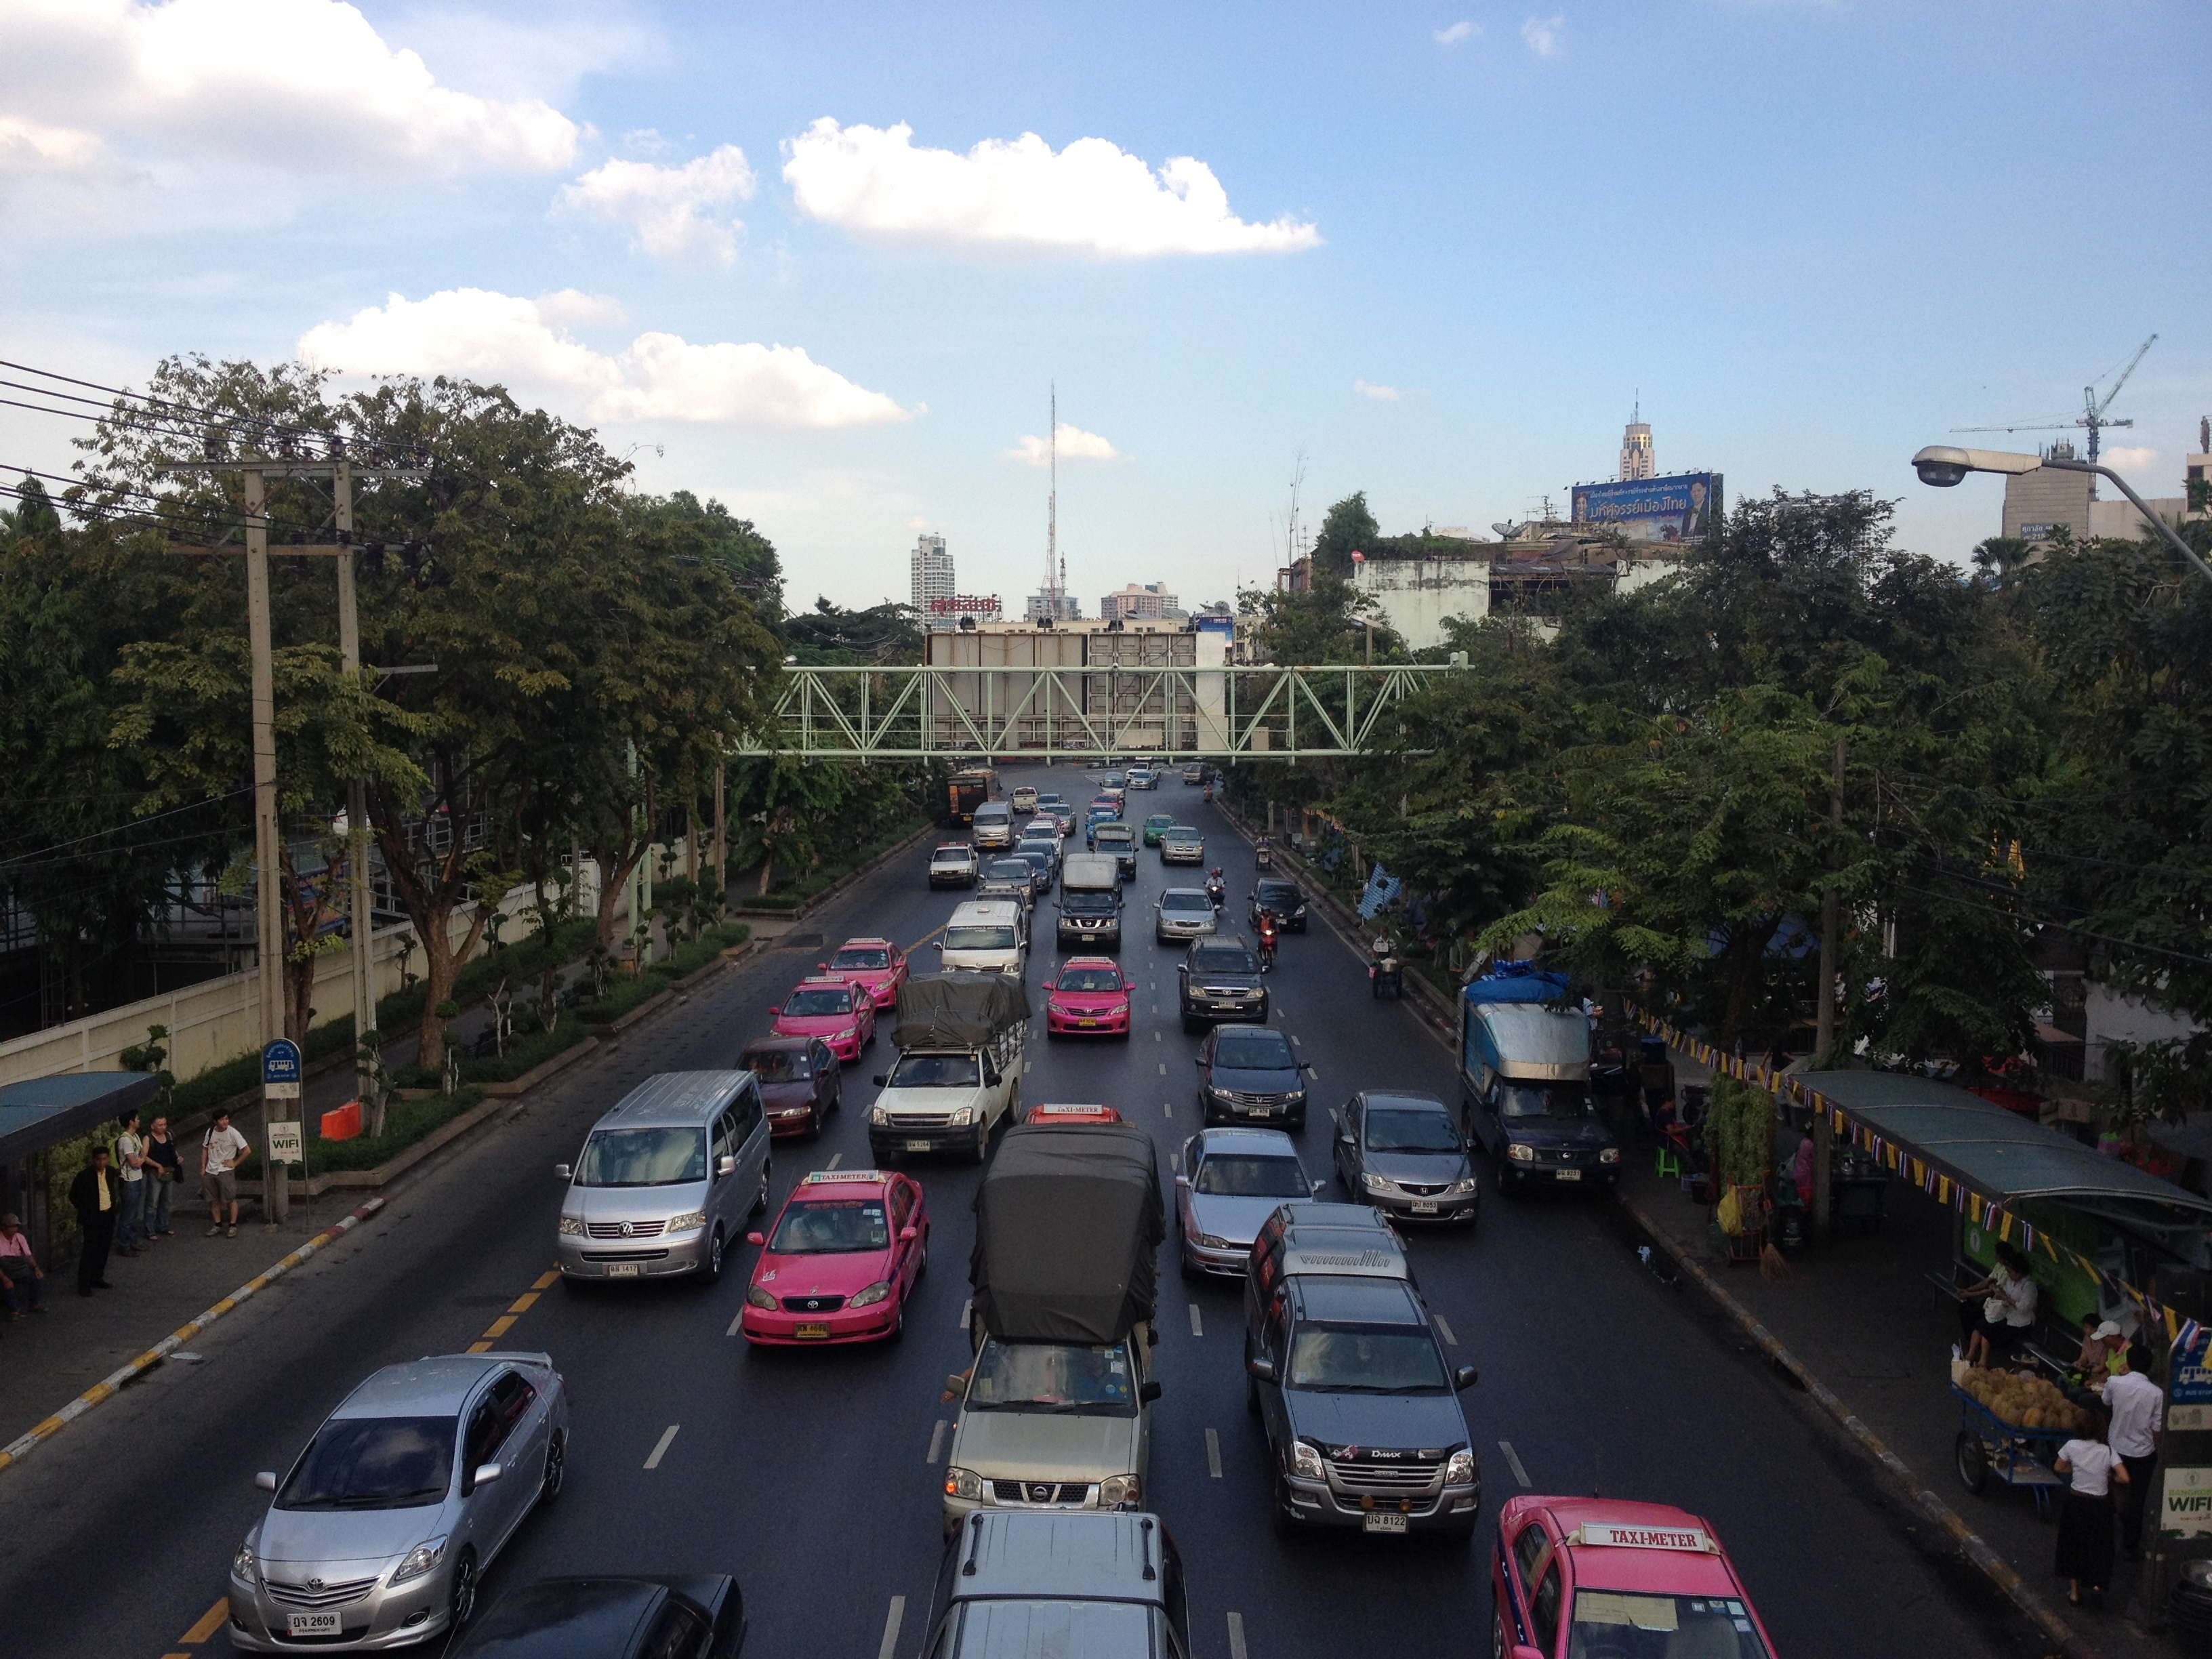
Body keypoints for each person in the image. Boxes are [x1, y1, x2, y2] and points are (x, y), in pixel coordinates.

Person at [2053, 1410, 2127, 1606]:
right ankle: (2096, 1586)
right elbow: (2125, 1477)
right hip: (2100, 1507)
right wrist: (2110, 1477)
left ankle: (2075, 1592)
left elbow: (2058, 1467)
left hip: (2076, 1503)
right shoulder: (2107, 1451)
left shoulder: (2071, 1446)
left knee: (2072, 1545)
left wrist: (2076, 1469)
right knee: (2099, 1547)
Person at [2104, 1345, 2163, 1559]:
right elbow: (2157, 1430)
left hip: (2116, 1449)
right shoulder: (2157, 1394)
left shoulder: (2114, 1382)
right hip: (2143, 1454)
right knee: (2137, 1499)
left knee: (2110, 1490)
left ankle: (2106, 1537)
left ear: (2128, 1361)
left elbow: (2106, 1401)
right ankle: (2131, 1544)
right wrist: (2158, 1454)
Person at [1957, 1248, 2036, 1368]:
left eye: (2011, 1273)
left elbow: (2023, 1308)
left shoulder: (2029, 1287)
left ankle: (1983, 1361)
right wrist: (1999, 1293)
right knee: (1981, 1324)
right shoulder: (2011, 1281)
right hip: (2006, 1314)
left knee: (1989, 1330)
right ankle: (1971, 1353)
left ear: (2019, 1273)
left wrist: (2006, 1298)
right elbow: (2005, 1293)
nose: (2009, 1275)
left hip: (2020, 1322)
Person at [69, 1147, 121, 1296]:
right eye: (99, 1159)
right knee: (89, 1250)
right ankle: (84, 1284)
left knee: (104, 1248)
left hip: (107, 1214)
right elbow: (74, 1195)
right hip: (92, 1218)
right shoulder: (84, 1176)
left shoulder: (110, 1172)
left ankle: (97, 1277)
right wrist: (86, 1209)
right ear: (94, 1160)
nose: (102, 1162)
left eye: (104, 1159)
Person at [201, 1108, 251, 1238]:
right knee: (213, 1200)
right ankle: (217, 1224)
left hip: (225, 1171)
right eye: (222, 1119)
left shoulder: (233, 1133)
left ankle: (232, 1225)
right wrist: (203, 1167)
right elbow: (205, 1149)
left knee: (230, 1199)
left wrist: (235, 1163)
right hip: (211, 1170)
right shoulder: (211, 1131)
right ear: (215, 1121)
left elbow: (247, 1150)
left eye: (227, 1119)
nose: (225, 1122)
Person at [113, 1109, 148, 1256]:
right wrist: (142, 1158)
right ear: (131, 1121)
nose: (139, 1120)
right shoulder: (125, 1140)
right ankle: (124, 1245)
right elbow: (134, 1162)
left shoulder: (135, 1137)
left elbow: (141, 1156)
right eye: (137, 1118)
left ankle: (132, 1240)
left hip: (137, 1178)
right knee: (128, 1214)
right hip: (128, 1181)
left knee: (134, 1213)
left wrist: (142, 1158)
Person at [0, 1213, 45, 1317]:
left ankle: (34, 1304)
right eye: (11, 1227)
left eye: (16, 1226)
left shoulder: (20, 1238)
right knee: (7, 1285)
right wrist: (5, 1279)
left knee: (36, 1279)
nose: (14, 1229)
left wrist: (37, 1268)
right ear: (4, 1227)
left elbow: (29, 1256)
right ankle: (14, 1311)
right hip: (5, 1272)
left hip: (20, 1270)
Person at [144, 1115, 182, 1238]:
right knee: (152, 1203)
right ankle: (150, 1230)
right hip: (155, 1174)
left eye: (164, 1124)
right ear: (153, 1126)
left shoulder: (168, 1136)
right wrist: (157, 1165)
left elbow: (172, 1149)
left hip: (169, 1172)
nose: (163, 1127)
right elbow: (143, 1156)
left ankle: (163, 1226)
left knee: (166, 1202)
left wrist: (178, 1157)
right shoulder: (148, 1139)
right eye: (160, 1125)